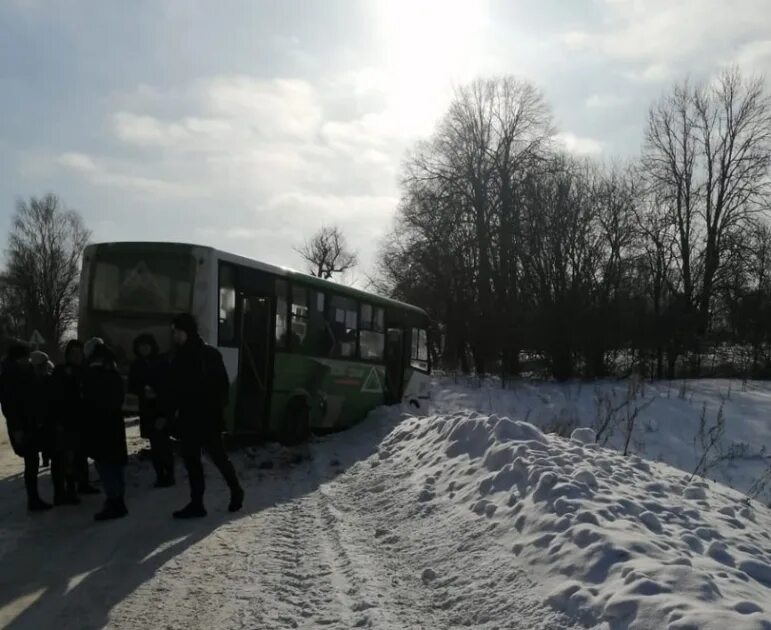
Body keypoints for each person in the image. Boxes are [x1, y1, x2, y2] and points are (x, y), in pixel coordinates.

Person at [165, 313, 243, 518]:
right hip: (188, 419)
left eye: (176, 331)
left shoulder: (208, 354)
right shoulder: (178, 357)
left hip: (208, 418)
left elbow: (222, 387)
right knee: (192, 462)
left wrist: (213, 408)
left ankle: (236, 490)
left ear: (186, 332)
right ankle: (197, 503)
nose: (174, 336)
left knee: (218, 457)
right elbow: (174, 389)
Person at [0, 344, 52, 511]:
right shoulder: (10, 376)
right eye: (25, 358)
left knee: (33, 461)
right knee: (31, 461)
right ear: (19, 358)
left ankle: (34, 498)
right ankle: (33, 499)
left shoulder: (18, 372)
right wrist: (17, 429)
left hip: (28, 424)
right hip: (22, 426)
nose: (27, 360)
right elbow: (10, 405)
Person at [82, 339, 128, 521]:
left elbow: (90, 398)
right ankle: (119, 501)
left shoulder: (94, 371)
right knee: (115, 463)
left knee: (104, 463)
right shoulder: (112, 368)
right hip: (114, 423)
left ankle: (114, 502)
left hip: (99, 424)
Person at [129, 333, 174, 488]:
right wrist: (142, 390)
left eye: (146, 346)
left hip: (162, 408)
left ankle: (169, 475)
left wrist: (158, 395)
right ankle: (161, 475)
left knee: (164, 444)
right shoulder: (137, 365)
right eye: (141, 346)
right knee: (155, 445)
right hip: (147, 410)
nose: (144, 349)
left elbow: (169, 386)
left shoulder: (162, 362)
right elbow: (131, 385)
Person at [50, 340, 87, 504]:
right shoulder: (60, 371)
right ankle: (60, 493)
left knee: (76, 456)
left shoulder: (83, 371)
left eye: (79, 353)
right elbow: (55, 398)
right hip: (64, 422)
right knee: (63, 459)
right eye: (73, 353)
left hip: (79, 421)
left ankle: (74, 488)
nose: (77, 356)